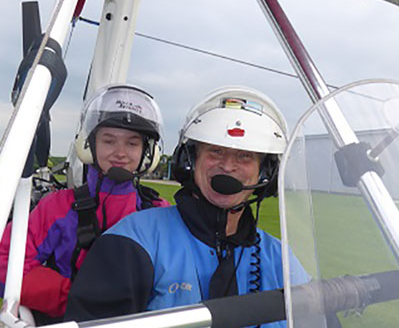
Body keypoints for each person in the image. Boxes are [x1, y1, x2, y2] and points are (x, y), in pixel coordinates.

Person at [65, 86, 308, 326]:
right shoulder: (131, 241)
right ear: (190, 161)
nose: (228, 166)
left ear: (265, 173)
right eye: (215, 151)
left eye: (245, 156)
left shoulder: (280, 258)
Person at [0, 84, 170, 324]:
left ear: (148, 153)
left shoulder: (160, 213)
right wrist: (75, 297)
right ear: (89, 145)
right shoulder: (57, 207)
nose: (120, 153)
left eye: (132, 143)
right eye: (109, 140)